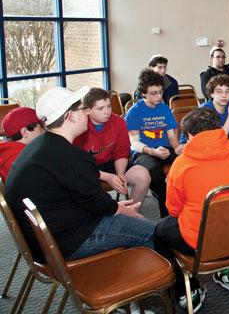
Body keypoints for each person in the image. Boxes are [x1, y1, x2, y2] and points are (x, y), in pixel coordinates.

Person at [5, 86, 153, 262]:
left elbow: (90, 198)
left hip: (43, 240)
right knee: (150, 231)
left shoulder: (41, 145)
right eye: (83, 109)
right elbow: (99, 204)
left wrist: (119, 209)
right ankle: (173, 287)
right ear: (70, 115)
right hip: (64, 243)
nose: (87, 114)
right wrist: (124, 211)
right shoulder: (71, 157)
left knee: (133, 221)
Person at [154, 108, 229, 312]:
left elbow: (174, 210)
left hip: (203, 243)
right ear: (217, 128)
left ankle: (188, 293)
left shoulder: (182, 164)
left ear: (190, 136)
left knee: (160, 231)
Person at [74, 88, 152, 207]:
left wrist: (120, 174)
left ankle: (131, 214)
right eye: (100, 108)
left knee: (143, 176)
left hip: (112, 163)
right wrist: (108, 177)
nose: (107, 112)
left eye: (109, 106)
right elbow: (78, 164)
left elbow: (122, 151)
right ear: (88, 111)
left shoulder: (118, 122)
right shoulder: (80, 127)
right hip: (87, 168)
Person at [125, 68, 180, 216]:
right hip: (143, 152)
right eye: (153, 93)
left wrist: (177, 148)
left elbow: (171, 136)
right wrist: (152, 151)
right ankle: (167, 212)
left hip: (164, 148)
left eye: (160, 92)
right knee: (155, 172)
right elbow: (134, 143)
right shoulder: (134, 112)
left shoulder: (164, 109)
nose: (159, 96)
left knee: (187, 159)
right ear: (143, 93)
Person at [0, 107, 43, 181]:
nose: (43, 131)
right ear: (24, 132)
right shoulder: (25, 161)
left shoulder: (9, 153)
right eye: (41, 126)